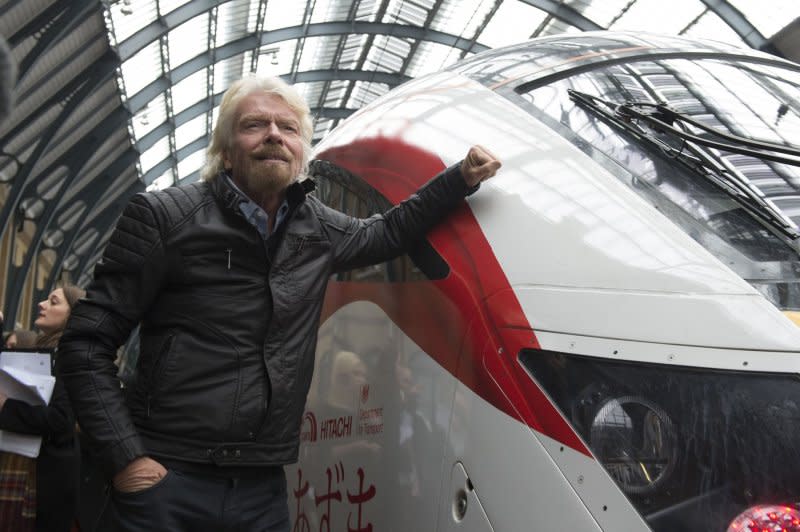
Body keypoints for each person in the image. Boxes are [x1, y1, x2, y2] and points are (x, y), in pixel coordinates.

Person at [58, 74, 501, 531]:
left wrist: (459, 178)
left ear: (301, 153)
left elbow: (387, 231)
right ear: (225, 150)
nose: (274, 134)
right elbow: (86, 344)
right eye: (255, 124)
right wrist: (127, 460)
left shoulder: (317, 230)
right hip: (169, 480)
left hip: (261, 490)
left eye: (288, 128)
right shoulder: (164, 218)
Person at [0, 285, 85, 532]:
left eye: (54, 302)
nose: (42, 304)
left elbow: (61, 419)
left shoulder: (72, 359)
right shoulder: (45, 354)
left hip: (41, 478)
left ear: (72, 316)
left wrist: (6, 406)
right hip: (20, 464)